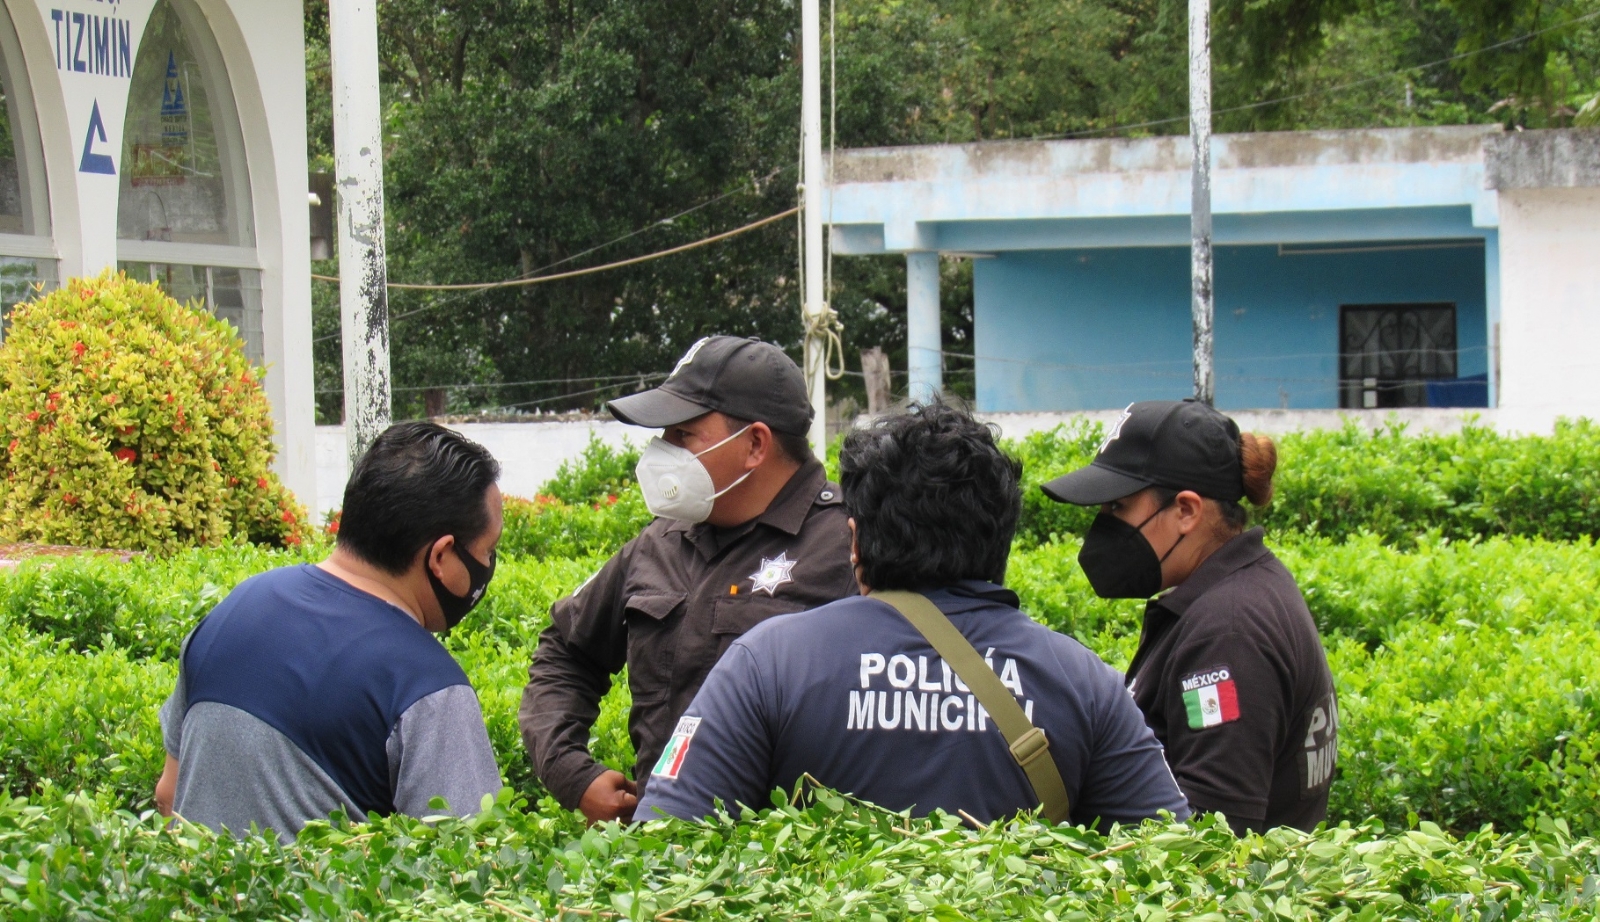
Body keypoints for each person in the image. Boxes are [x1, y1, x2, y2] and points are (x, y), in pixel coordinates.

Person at [635, 402, 1190, 828]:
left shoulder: (767, 663)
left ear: (854, 541)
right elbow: (1177, 863)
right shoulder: (1084, 680)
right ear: (1001, 541)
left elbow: (666, 848)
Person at [520, 336, 857, 823]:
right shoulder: (660, 541)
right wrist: (572, 771)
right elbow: (566, 652)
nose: (663, 451)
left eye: (683, 434)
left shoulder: (848, 544)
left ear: (755, 445)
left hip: (792, 866)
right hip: (662, 866)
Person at [154, 421, 505, 841]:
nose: (488, 563)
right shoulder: (427, 687)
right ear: (442, 556)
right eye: (487, 550)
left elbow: (168, 794)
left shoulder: (233, 609)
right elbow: (465, 867)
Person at [1040, 399, 1337, 834]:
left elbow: (1215, 840)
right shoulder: (1236, 590)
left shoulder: (1229, 632)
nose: (1102, 526)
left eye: (1116, 507)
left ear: (1186, 511)